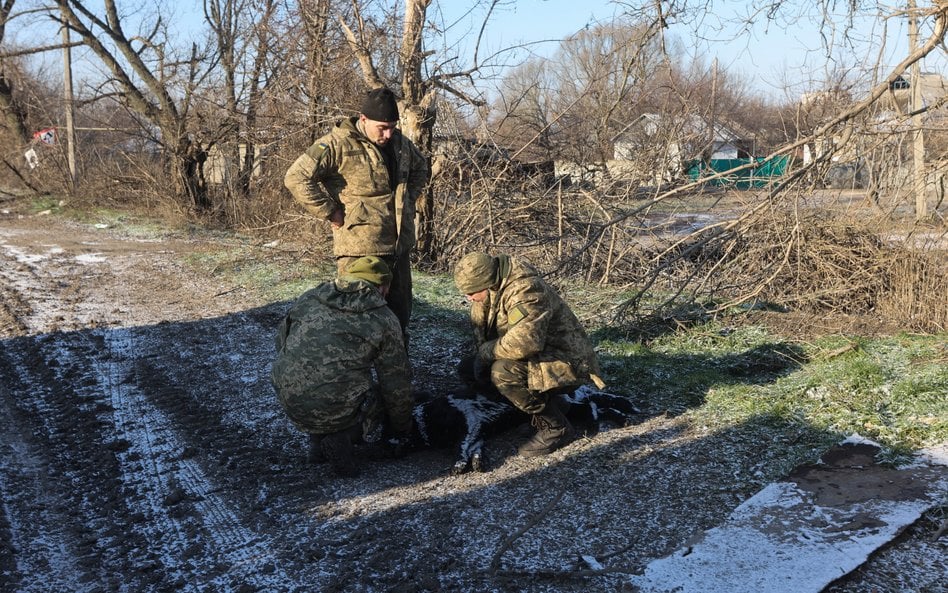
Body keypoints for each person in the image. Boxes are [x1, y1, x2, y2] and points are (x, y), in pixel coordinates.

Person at [284, 86, 429, 344]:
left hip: (398, 248)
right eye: (381, 127)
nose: (388, 133)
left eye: (392, 126)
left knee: (398, 320)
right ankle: (353, 381)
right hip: (359, 250)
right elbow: (296, 177)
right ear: (363, 120)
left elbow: (421, 169)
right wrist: (330, 212)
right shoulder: (337, 143)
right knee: (355, 321)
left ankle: (396, 381)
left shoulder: (401, 145)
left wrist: (407, 200)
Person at [453, 252, 607, 457]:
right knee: (468, 368)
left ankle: (555, 427)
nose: (469, 298)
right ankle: (542, 406)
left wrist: (486, 353)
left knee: (503, 373)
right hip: (537, 357)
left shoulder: (526, 290)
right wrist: (481, 359)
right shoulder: (492, 289)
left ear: (487, 281)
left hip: (565, 361)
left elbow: (526, 342)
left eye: (472, 292)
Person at [271, 256, 413, 477]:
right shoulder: (384, 318)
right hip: (333, 403)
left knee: (319, 377)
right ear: (383, 286)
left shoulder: (310, 297)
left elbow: (281, 341)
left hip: (290, 397)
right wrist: (402, 427)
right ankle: (342, 438)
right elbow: (396, 382)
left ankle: (317, 442)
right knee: (380, 395)